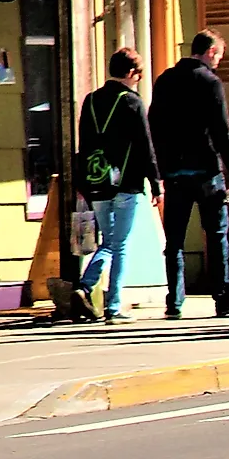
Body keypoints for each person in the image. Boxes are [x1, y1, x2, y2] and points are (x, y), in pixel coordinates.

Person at [54, 50, 157, 323]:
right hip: (127, 183)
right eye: (140, 74)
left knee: (108, 242)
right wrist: (156, 183)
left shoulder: (90, 101)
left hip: (97, 181)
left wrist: (82, 182)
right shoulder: (133, 103)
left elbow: (83, 145)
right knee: (120, 244)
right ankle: (113, 307)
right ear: (132, 74)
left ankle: (85, 286)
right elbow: (146, 146)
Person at [150, 29, 229, 319]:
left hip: (175, 172)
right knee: (216, 235)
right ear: (211, 52)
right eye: (219, 56)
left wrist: (161, 167)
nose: (218, 62)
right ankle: (222, 297)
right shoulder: (210, 82)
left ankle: (175, 302)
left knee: (174, 239)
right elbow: (221, 131)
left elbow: (154, 124)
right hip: (206, 171)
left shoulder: (165, 80)